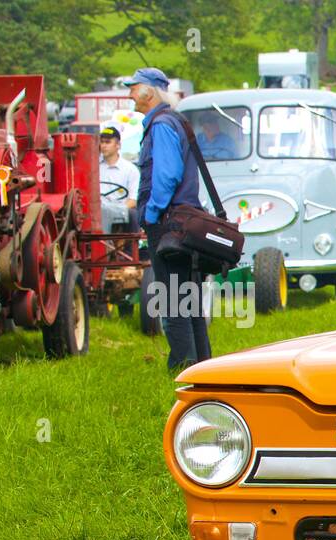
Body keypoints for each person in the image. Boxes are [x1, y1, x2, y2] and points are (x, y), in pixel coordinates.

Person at [124, 67, 210, 371]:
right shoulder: (174, 120)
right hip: (184, 224)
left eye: (134, 88)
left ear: (150, 91)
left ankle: (182, 369)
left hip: (168, 224)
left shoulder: (160, 125)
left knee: (173, 302)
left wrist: (150, 214)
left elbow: (166, 175)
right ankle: (202, 366)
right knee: (189, 300)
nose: (130, 94)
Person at [97, 125, 140, 232]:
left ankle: (129, 247)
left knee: (133, 215)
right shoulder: (94, 167)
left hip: (121, 210)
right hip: (98, 211)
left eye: (107, 142)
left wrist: (116, 210)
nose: (103, 146)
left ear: (118, 145)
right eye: (102, 142)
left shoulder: (130, 169)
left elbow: (133, 200)